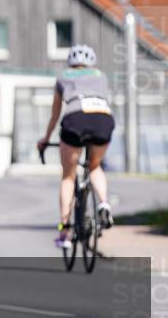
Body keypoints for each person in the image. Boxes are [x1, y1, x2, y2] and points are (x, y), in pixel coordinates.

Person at [37, 44, 116, 250]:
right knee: (95, 166)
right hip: (103, 119)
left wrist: (45, 139)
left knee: (68, 176)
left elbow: (55, 115)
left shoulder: (63, 76)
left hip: (75, 119)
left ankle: (64, 231)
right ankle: (103, 204)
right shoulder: (101, 76)